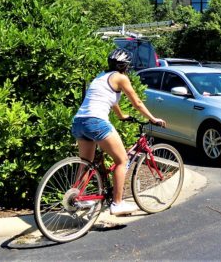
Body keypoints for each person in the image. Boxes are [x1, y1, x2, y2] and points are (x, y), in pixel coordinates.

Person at [71, 48, 166, 215]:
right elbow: (136, 101)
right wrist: (153, 119)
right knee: (122, 160)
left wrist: (121, 115)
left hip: (79, 122)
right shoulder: (121, 78)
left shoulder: (101, 76)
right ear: (126, 66)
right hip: (96, 122)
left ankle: (76, 197)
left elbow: (110, 99)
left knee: (86, 163)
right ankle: (117, 203)